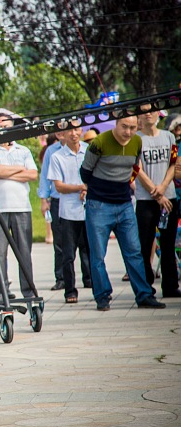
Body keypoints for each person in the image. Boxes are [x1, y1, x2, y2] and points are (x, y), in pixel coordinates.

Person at [80, 117, 166, 310]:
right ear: (116, 124)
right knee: (98, 254)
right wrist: (102, 189)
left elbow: (135, 167)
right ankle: (102, 296)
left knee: (134, 252)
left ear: (138, 127)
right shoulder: (99, 142)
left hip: (125, 204)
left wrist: (124, 183)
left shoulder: (137, 142)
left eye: (132, 128)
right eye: (124, 127)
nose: (128, 132)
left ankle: (144, 295)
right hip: (99, 205)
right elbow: (85, 172)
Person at [0, 114, 38, 299]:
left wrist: (5, 171)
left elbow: (32, 175)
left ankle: (28, 291)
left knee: (24, 252)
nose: (2, 130)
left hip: (22, 207)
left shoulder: (23, 150)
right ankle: (2, 290)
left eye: (6, 127)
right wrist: (20, 168)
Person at [135, 110, 181, 298]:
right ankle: (146, 288)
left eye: (152, 111)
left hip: (168, 197)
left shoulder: (169, 137)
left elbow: (173, 163)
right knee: (145, 245)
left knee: (168, 244)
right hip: (146, 199)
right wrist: (156, 192)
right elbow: (136, 168)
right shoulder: (135, 139)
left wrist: (163, 187)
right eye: (144, 111)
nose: (148, 115)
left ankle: (170, 286)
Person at [47, 126, 92, 303]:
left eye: (77, 129)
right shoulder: (57, 156)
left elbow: (96, 175)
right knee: (68, 255)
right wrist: (80, 187)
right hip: (68, 212)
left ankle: (98, 287)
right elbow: (59, 186)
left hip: (89, 209)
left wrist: (87, 188)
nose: (74, 134)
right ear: (62, 134)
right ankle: (70, 291)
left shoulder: (89, 151)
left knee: (93, 251)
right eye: (70, 130)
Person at [38, 131, 65, 290]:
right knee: (59, 241)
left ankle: (88, 276)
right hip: (57, 198)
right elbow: (44, 176)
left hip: (79, 198)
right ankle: (61, 278)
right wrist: (43, 199)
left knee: (84, 241)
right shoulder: (51, 151)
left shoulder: (84, 148)